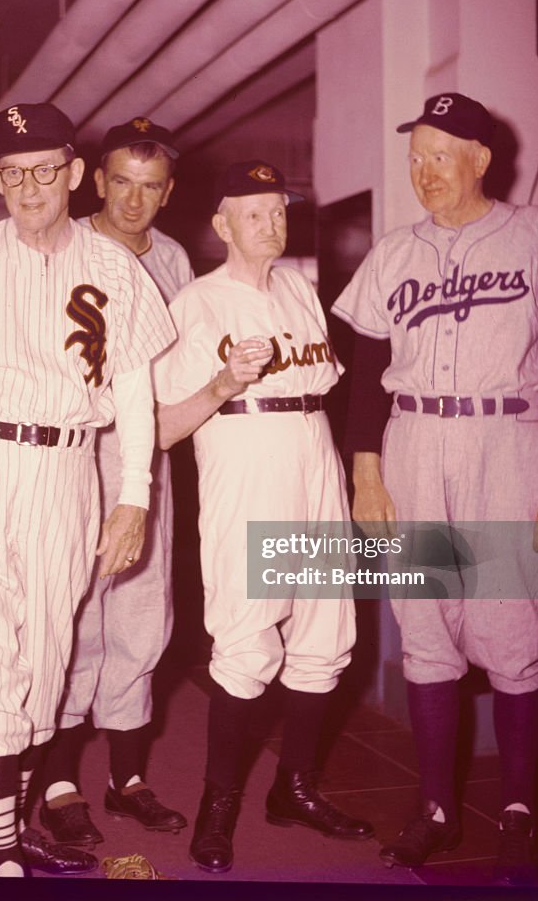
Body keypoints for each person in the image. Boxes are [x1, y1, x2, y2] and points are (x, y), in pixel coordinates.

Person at [330, 92, 538, 887]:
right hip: (414, 439)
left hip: (509, 441)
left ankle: (519, 811)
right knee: (423, 629)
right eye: (415, 156)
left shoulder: (537, 234)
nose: (423, 171)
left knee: (515, 628)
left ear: (481, 159)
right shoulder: (393, 252)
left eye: (439, 154)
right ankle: (434, 809)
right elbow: (363, 378)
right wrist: (366, 472)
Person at [0, 102, 176, 878]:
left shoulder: (118, 268)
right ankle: (3, 852)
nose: (30, 187)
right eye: (12, 173)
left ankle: (1, 826)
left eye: (46, 171)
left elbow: (136, 393)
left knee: (46, 661)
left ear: (75, 175)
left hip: (72, 471)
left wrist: (134, 497)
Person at [154, 160, 374, 875]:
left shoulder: (302, 290)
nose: (273, 224)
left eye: (279, 211)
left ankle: (294, 786)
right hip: (246, 459)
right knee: (247, 636)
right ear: (222, 226)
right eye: (256, 214)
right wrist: (223, 382)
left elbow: (327, 387)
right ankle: (220, 804)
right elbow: (160, 427)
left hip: (314, 454)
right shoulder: (196, 302)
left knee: (323, 625)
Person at [38, 118, 191, 849]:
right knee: (73, 612)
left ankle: (127, 779)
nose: (134, 201)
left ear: (167, 195)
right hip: (79, 450)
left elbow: (181, 374)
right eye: (121, 182)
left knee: (140, 613)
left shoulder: (177, 260)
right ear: (96, 181)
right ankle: (58, 781)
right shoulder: (66, 246)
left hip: (149, 457)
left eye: (150, 187)